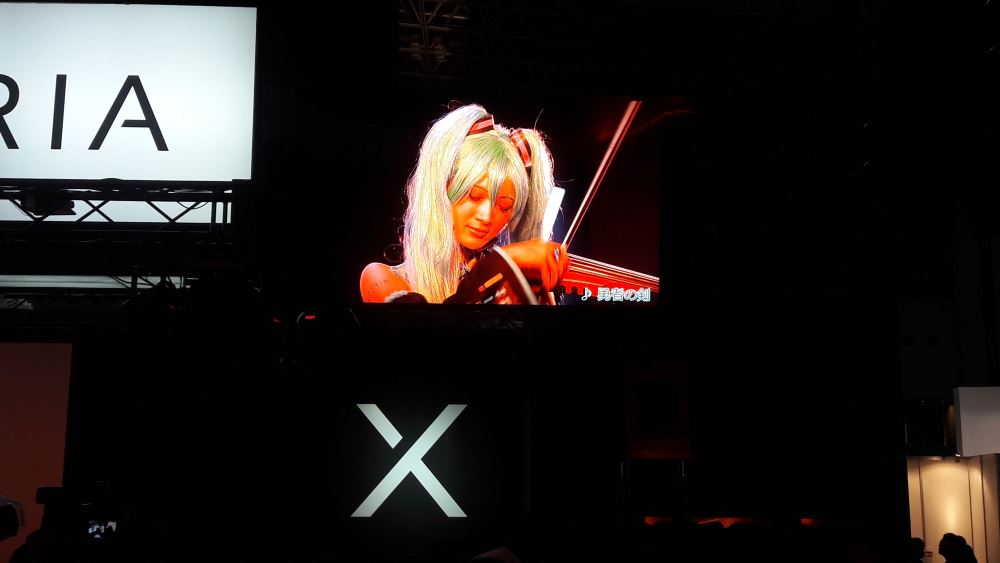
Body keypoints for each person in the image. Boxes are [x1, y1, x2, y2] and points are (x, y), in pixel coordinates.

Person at [360, 103, 569, 303]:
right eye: (474, 196)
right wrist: (502, 261)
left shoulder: (509, 283)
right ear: (443, 186)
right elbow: (427, 324)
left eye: (504, 207)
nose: (486, 216)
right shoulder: (382, 279)